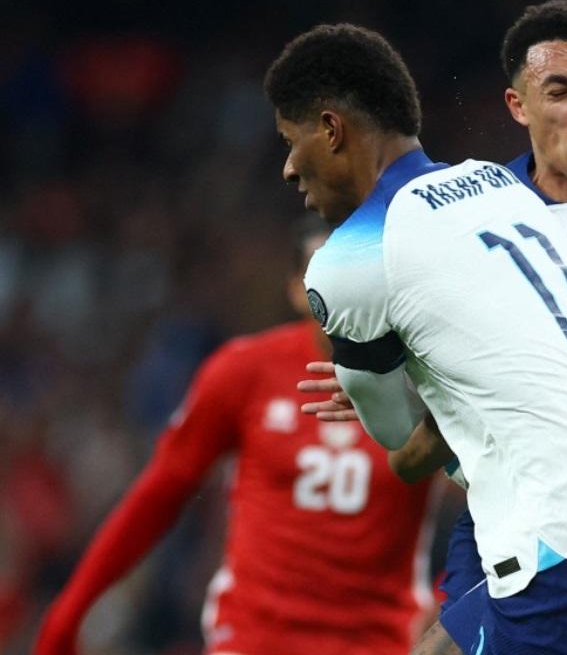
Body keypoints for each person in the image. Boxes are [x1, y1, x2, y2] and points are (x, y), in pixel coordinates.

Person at [267, 23, 567, 654]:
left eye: (289, 140)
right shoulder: (500, 187)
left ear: (331, 130)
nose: (286, 168)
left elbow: (400, 446)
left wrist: (399, 394)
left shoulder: (349, 261)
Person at [34, 218, 437, 655]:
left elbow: (491, 504)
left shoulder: (428, 383)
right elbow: (159, 494)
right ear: (295, 291)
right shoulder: (245, 372)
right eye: (320, 274)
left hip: (379, 645)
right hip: (253, 639)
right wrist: (70, 610)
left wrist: (447, 605)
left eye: (351, 274)